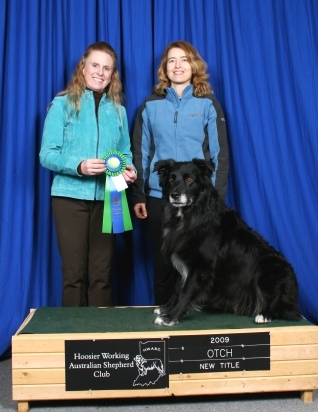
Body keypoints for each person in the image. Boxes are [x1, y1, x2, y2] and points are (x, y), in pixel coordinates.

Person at [132, 40, 229, 306]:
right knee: (164, 265)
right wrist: (139, 195)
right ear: (165, 67)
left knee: (195, 262)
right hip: (158, 197)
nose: (178, 65)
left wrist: (216, 198)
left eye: (184, 59)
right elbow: (140, 154)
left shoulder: (208, 104)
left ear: (194, 65)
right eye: (172, 60)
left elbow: (220, 154)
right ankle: (164, 318)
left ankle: (190, 324)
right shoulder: (150, 106)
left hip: (198, 200)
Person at [40, 42, 136, 307]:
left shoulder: (118, 111)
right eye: (95, 65)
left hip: (110, 198)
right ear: (83, 67)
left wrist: (129, 170)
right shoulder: (62, 104)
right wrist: (79, 166)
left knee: (102, 275)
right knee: (74, 275)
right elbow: (46, 154)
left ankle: (101, 338)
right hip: (69, 198)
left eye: (107, 68)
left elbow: (125, 153)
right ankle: (74, 338)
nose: (100, 72)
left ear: (112, 74)